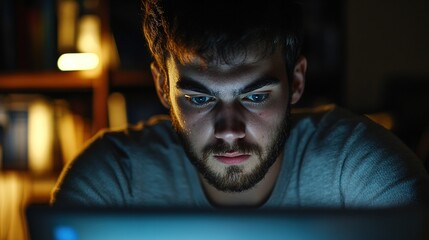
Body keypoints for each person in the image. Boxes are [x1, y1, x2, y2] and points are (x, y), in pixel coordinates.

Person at [51, 0, 429, 208]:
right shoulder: (110, 182)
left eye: (255, 96)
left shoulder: (366, 172)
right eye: (200, 98)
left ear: (296, 82)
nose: (229, 129)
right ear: (163, 86)